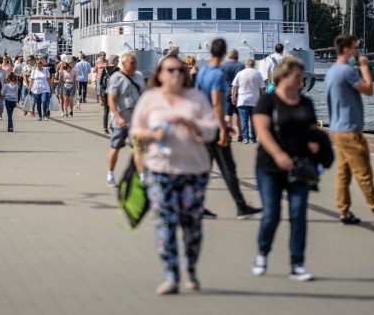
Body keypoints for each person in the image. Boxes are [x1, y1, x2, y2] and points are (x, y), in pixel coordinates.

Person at [130, 54, 217, 295]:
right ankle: (171, 275)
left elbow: (211, 130)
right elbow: (135, 131)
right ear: (160, 74)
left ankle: (191, 268)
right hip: (159, 170)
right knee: (165, 223)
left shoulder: (196, 98)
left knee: (192, 225)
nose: (176, 74)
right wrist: (150, 136)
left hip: (193, 171)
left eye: (180, 70)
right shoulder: (149, 99)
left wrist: (190, 123)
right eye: (170, 70)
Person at [251, 57, 320, 281]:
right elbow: (262, 131)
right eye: (297, 76)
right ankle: (262, 252)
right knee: (271, 214)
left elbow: (312, 129)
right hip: (269, 167)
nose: (301, 80)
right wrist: (279, 154)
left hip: (299, 166)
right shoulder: (267, 102)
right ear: (282, 77)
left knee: (298, 214)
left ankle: (297, 263)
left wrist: (315, 144)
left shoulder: (306, 103)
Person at [325, 35, 374, 226]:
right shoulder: (347, 71)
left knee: (343, 173)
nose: (358, 52)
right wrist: (364, 66)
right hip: (350, 130)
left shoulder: (332, 71)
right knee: (363, 172)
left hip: (337, 129)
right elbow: (369, 90)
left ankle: (343, 210)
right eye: (355, 48)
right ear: (346, 50)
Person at [195, 38, 262, 219]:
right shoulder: (217, 75)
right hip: (215, 128)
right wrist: (224, 128)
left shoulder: (202, 73)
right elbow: (217, 104)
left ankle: (196, 205)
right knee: (228, 168)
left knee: (204, 168)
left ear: (210, 52)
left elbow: (197, 100)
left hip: (203, 125)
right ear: (224, 54)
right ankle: (241, 207)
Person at [106, 52, 146, 187]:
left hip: (136, 119)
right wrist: (117, 117)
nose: (134, 65)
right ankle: (110, 173)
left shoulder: (139, 76)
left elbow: (144, 96)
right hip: (121, 119)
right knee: (116, 146)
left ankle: (142, 177)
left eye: (135, 62)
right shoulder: (116, 78)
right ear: (123, 64)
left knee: (139, 148)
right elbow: (111, 99)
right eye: (131, 63)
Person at [232, 58, 265, 144]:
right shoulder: (258, 74)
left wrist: (233, 97)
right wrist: (263, 98)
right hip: (255, 100)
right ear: (254, 64)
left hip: (242, 100)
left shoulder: (240, 73)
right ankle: (253, 137)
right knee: (254, 120)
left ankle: (245, 138)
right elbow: (262, 88)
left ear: (246, 64)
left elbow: (234, 86)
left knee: (244, 119)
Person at [221, 49, 245, 141]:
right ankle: (241, 135)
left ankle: (229, 135)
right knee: (239, 114)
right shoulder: (241, 66)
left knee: (228, 114)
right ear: (237, 55)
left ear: (229, 56)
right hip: (239, 91)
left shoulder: (223, 65)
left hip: (226, 91)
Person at [28, 56, 53, 121]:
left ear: (42, 64)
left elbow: (48, 80)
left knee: (44, 101)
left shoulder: (46, 70)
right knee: (38, 103)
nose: (39, 66)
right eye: (38, 64)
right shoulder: (34, 71)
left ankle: (44, 114)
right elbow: (31, 81)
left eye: (40, 64)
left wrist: (52, 88)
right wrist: (29, 89)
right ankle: (39, 115)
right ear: (36, 65)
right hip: (36, 88)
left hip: (45, 87)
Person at [100, 55, 119, 134]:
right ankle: (114, 127)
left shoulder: (104, 69)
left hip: (105, 91)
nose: (118, 62)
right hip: (114, 92)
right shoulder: (118, 70)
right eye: (117, 60)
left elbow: (101, 82)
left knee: (106, 109)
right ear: (114, 61)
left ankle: (105, 128)